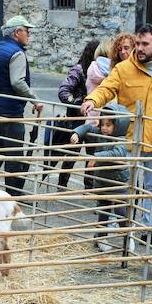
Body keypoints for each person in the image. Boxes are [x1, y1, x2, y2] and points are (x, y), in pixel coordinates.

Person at [81, 23, 152, 236]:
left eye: (144, 44)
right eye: (138, 43)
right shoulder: (123, 69)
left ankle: (147, 231)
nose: (139, 48)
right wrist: (92, 100)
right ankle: (115, 227)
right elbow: (106, 89)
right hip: (129, 138)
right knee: (121, 185)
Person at [0, 15, 44, 196]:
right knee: (14, 151)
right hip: (11, 110)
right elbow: (18, 82)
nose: (29, 36)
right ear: (17, 32)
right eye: (27, 31)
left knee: (0, 148)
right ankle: (13, 192)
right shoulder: (17, 53)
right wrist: (35, 99)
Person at [69, 103, 132, 251]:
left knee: (120, 211)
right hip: (102, 182)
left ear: (118, 126)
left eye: (108, 125)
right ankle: (101, 237)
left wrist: (96, 157)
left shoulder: (120, 140)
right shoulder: (99, 134)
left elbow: (117, 154)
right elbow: (89, 128)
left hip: (117, 183)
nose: (104, 128)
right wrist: (77, 133)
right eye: (102, 124)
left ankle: (128, 237)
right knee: (103, 210)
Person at [51, 38, 99, 190]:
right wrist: (79, 104)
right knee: (72, 153)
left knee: (92, 154)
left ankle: (89, 188)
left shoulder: (101, 71)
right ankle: (62, 184)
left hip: (93, 119)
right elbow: (63, 92)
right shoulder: (77, 70)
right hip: (77, 119)